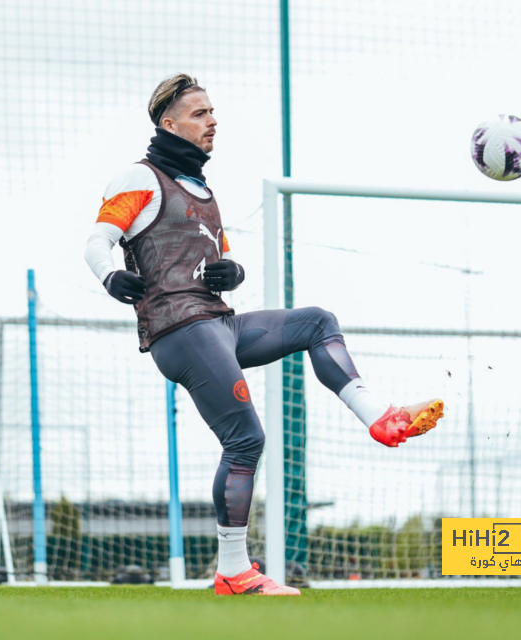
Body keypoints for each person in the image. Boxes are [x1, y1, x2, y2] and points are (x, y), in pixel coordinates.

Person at [84, 73, 444, 596]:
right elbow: (98, 242)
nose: (213, 120)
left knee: (317, 320)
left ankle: (381, 419)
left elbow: (218, 260)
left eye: (212, 111)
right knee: (246, 438)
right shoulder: (137, 178)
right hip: (180, 329)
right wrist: (111, 275)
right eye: (201, 113)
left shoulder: (203, 191)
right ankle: (233, 571)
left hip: (218, 322)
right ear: (169, 123)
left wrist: (234, 273)